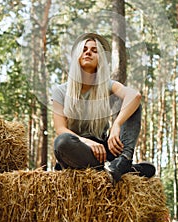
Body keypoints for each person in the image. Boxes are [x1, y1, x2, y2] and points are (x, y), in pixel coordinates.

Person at [52, 32, 155, 184]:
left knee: (133, 106)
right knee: (62, 142)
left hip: (106, 150)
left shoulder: (107, 85)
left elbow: (135, 96)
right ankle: (121, 170)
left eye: (94, 51)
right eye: (84, 49)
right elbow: (60, 128)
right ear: (77, 57)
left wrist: (116, 125)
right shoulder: (60, 91)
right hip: (79, 149)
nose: (88, 52)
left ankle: (123, 161)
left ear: (100, 59)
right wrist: (87, 142)